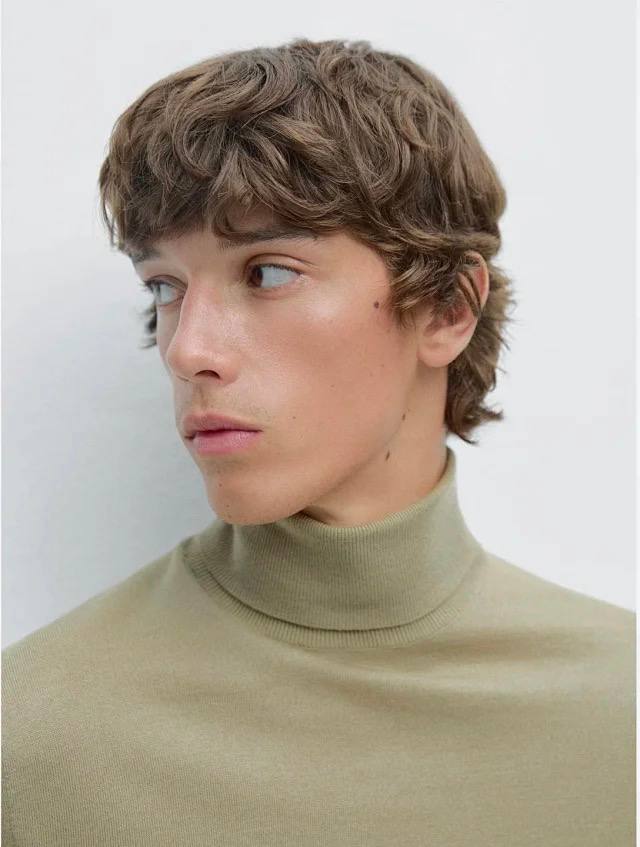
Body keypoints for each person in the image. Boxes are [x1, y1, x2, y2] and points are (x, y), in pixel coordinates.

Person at [2, 37, 634, 846]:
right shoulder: (32, 734)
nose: (187, 348)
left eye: (267, 272)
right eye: (164, 286)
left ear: (448, 307)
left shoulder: (620, 707)